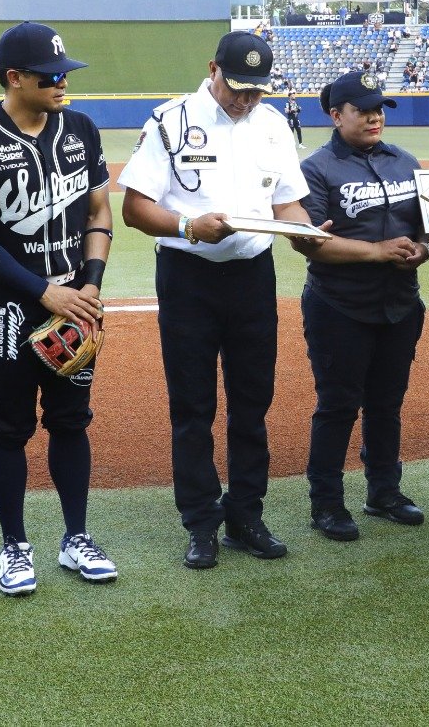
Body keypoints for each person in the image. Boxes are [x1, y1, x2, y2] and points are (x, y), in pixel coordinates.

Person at [120, 31, 319, 569]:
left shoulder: (274, 125)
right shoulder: (170, 121)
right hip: (188, 277)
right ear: (212, 69)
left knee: (253, 403)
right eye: (236, 87)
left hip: (253, 275)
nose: (245, 100)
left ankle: (246, 514)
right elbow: (135, 208)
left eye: (256, 90)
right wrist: (188, 224)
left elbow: (288, 205)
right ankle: (201, 521)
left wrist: (306, 233)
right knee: (192, 406)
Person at [0, 22, 115, 596]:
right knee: (9, 423)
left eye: (66, 73)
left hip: (73, 299)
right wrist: (45, 293)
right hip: (6, 304)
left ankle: (76, 538)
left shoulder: (81, 129)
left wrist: (88, 285)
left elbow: (97, 213)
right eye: (51, 75)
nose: (63, 83)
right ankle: (15, 546)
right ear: (15, 78)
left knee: (71, 419)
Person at [291, 72, 429, 541]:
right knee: (337, 405)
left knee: (386, 404)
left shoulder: (406, 161)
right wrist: (376, 252)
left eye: (379, 108)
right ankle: (327, 503)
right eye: (363, 109)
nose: (375, 116)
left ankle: (384, 491)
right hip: (339, 306)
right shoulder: (316, 168)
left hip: (399, 305)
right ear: (336, 115)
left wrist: (424, 249)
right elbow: (311, 243)